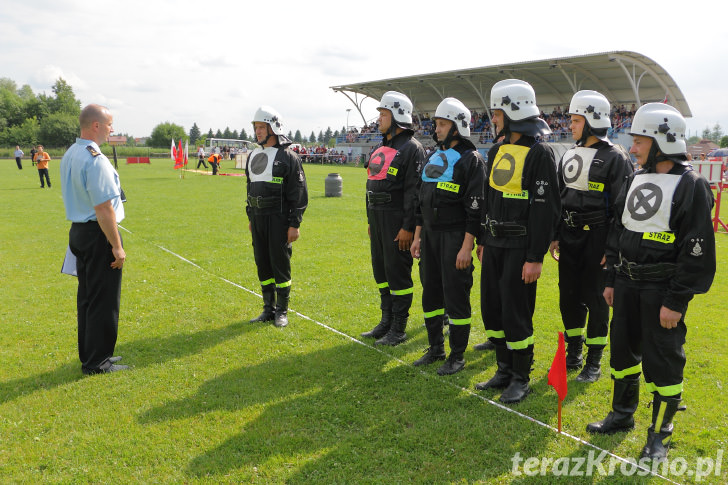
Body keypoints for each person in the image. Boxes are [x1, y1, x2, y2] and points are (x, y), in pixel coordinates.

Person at [586, 103, 716, 462]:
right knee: (623, 351)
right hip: (627, 284)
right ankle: (622, 414)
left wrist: (676, 301)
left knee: (663, 361)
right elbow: (619, 230)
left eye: (639, 141)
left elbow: (697, 252)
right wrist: (612, 277)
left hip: (662, 290)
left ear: (661, 141)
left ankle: (660, 432)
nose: (632, 149)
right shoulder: (635, 177)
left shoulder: (692, 185)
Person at [475, 79, 560, 403]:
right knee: (493, 310)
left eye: (496, 113)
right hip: (494, 245)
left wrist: (535, 256)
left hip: (520, 249)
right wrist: (484, 238)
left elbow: (545, 210)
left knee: (516, 313)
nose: (493, 119)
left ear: (512, 112)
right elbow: (489, 198)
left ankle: (520, 378)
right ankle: (503, 368)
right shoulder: (496, 150)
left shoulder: (540, 153)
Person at [548, 90, 634, 383]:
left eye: (574, 120)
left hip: (598, 238)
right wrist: (557, 234)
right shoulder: (569, 153)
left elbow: (623, 210)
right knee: (568, 297)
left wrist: (611, 248)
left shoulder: (616, 158)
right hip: (570, 237)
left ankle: (594, 361)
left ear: (592, 120)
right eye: (570, 120)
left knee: (596, 299)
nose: (569, 126)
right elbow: (561, 198)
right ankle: (574, 352)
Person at [410, 97, 485, 375]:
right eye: (437, 124)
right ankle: (435, 348)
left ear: (457, 127)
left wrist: (467, 247)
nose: (437, 129)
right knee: (430, 292)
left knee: (455, 296)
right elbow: (421, 200)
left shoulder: (472, 160)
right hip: (430, 236)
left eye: (443, 124)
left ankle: (456, 356)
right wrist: (418, 236)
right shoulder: (433, 156)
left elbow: (475, 210)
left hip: (455, 238)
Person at [60, 104, 129, 375]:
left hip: (79, 231)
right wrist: (117, 246)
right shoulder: (94, 158)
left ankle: (92, 353)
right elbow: (103, 209)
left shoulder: (71, 153)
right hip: (97, 233)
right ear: (96, 125)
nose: (112, 129)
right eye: (110, 124)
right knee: (103, 299)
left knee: (88, 297)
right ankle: (98, 362)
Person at [359, 92, 425, 346]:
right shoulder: (380, 147)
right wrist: (370, 220)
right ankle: (385, 321)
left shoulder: (412, 148)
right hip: (377, 220)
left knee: (398, 274)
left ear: (397, 116)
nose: (379, 119)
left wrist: (408, 227)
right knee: (381, 271)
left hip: (397, 220)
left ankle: (398, 327)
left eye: (383, 114)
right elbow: (371, 185)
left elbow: (414, 192)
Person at [246, 106, 308, 328]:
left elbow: (299, 194)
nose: (258, 131)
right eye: (256, 127)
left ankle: (282, 311)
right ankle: (267, 309)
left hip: (279, 219)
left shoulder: (288, 157)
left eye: (262, 127)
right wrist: (251, 218)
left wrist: (294, 224)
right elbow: (249, 188)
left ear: (274, 127)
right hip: (259, 219)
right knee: (262, 263)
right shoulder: (253, 155)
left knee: (280, 264)